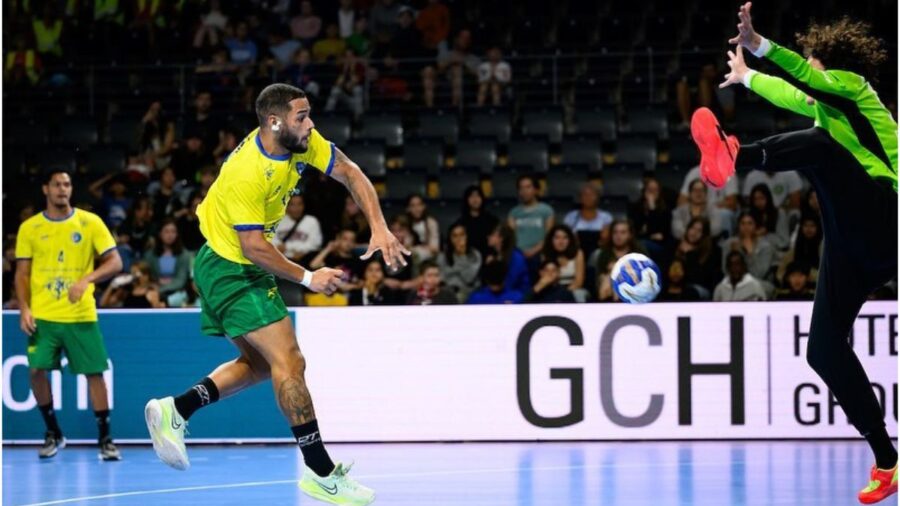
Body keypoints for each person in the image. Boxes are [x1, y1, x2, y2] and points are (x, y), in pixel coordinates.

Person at [144, 84, 407, 505]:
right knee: (291, 361)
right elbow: (253, 247)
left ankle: (177, 410)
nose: (310, 123)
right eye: (302, 116)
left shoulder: (300, 142)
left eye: (308, 114)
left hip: (228, 263)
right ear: (274, 121)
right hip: (232, 266)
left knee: (263, 365)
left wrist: (378, 225)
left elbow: (351, 173)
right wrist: (308, 278)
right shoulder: (249, 171)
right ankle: (321, 473)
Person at [692, 5, 897, 500]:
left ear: (830, 65)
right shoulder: (828, 109)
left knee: (821, 149)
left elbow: (803, 78)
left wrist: (759, 45)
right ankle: (888, 461)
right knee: (822, 350)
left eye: (813, 65)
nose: (809, 78)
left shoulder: (856, 91)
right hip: (852, 241)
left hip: (887, 216)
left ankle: (736, 156)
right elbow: (793, 91)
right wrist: (746, 77)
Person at [15, 170, 124, 460]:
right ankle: (53, 433)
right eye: (57, 185)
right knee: (36, 372)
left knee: (95, 375)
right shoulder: (30, 227)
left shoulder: (90, 223)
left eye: (67, 184)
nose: (63, 189)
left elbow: (115, 262)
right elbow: (22, 273)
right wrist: (24, 308)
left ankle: (106, 439)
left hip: (80, 316)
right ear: (45, 189)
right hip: (44, 316)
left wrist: (87, 279)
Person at [673, 217, 721, 298]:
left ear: (704, 235)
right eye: (692, 228)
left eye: (699, 231)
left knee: (689, 292)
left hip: (700, 287)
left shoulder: (711, 251)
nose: (694, 233)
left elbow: (698, 278)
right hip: (679, 285)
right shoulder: (677, 246)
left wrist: (689, 253)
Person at [508, 174, 554, 260]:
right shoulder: (514, 212)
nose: (524, 191)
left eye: (528, 187)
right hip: (518, 254)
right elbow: (511, 237)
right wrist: (520, 253)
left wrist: (534, 250)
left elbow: (549, 236)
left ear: (536, 190)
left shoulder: (546, 210)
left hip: (540, 253)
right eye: (521, 188)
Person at [720, 212, 776, 283]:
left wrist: (750, 253)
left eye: (750, 223)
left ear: (756, 226)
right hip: (735, 282)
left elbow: (758, 274)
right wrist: (733, 255)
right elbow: (725, 271)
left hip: (760, 283)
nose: (746, 227)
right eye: (742, 223)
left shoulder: (766, 247)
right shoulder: (729, 244)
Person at [563, 182, 612, 258]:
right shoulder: (571, 217)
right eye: (585, 195)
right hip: (575, 251)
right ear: (580, 198)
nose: (588, 197)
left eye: (592, 195)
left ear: (598, 197)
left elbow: (608, 240)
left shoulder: (606, 217)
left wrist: (604, 239)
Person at [437, 222, 482, 303]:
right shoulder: (443, 256)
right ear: (450, 238)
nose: (459, 239)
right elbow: (442, 277)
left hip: (469, 292)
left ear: (467, 236)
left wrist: (462, 255)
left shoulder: (475, 254)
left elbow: (469, 278)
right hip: (448, 291)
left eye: (462, 235)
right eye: (455, 236)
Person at [271, 194, 323, 263]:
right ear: (286, 206)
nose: (296, 208)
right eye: (292, 204)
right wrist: (279, 248)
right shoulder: (278, 220)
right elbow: (271, 239)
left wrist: (288, 247)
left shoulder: (312, 221)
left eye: (299, 204)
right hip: (280, 260)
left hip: (304, 261)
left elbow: (315, 244)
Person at [541, 225, 586, 302]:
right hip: (552, 289)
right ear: (551, 240)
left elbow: (579, 281)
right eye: (557, 238)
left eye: (565, 238)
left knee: (579, 294)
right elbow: (545, 279)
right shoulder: (545, 254)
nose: (561, 241)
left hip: (573, 288)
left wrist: (564, 293)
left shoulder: (578, 253)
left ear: (570, 240)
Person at [630, 177, 671, 260]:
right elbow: (635, 230)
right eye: (650, 190)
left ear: (659, 192)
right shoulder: (635, 208)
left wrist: (652, 207)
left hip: (659, 245)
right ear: (644, 191)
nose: (652, 193)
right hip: (638, 242)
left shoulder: (665, 210)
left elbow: (664, 234)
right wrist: (650, 235)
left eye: (655, 190)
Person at [486, 223, 530, 295]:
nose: (488, 237)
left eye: (492, 234)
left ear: (501, 238)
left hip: (518, 296)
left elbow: (511, 281)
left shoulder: (516, 257)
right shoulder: (496, 256)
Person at [100, 261, 166, 309]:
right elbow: (103, 304)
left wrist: (157, 304)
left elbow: (157, 309)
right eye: (132, 273)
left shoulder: (152, 291)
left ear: (146, 275)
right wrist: (112, 285)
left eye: (136, 273)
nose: (134, 276)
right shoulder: (126, 291)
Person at [456, 185, 498, 257]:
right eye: (471, 196)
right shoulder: (461, 222)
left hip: (489, 258)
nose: (475, 199)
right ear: (467, 200)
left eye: (478, 196)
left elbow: (497, 240)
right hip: (468, 258)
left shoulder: (492, 220)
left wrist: (493, 255)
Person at [748, 183, 791, 250]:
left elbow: (784, 241)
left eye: (762, 198)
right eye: (755, 199)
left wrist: (765, 235)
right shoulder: (749, 214)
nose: (759, 202)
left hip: (775, 248)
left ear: (768, 198)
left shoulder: (779, 213)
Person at [406, 194, 440, 260]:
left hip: (429, 257)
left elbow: (435, 248)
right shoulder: (406, 223)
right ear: (408, 208)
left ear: (424, 206)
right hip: (410, 258)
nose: (416, 209)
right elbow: (406, 247)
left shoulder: (431, 222)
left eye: (419, 205)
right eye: (413, 205)